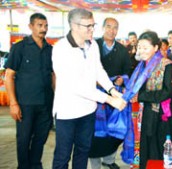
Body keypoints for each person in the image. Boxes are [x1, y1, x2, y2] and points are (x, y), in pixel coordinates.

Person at [51, 8, 126, 169]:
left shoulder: (92, 45)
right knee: (63, 155)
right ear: (74, 26)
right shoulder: (61, 49)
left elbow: (99, 70)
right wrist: (109, 99)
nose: (92, 29)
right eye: (88, 26)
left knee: (83, 150)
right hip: (68, 112)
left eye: (93, 25)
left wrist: (112, 90)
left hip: (88, 111)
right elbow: (76, 85)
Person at [127, 31, 172, 169]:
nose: (141, 51)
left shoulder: (167, 65)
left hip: (165, 115)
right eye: (139, 47)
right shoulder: (141, 66)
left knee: (162, 148)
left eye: (145, 47)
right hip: (148, 112)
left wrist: (140, 96)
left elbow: (168, 91)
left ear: (156, 48)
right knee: (150, 148)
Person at [4, 13, 54, 169]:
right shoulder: (20, 48)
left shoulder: (50, 50)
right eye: (39, 25)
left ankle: (35, 165)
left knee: (41, 138)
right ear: (30, 26)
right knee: (24, 140)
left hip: (46, 104)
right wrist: (13, 103)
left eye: (45, 25)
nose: (43, 29)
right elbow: (9, 76)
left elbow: (53, 76)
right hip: (25, 104)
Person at [88, 17, 131, 169]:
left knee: (113, 131)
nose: (112, 31)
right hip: (94, 95)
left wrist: (122, 79)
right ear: (102, 28)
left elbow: (128, 72)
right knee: (94, 132)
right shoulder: (93, 46)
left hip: (115, 96)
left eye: (115, 28)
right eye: (109, 27)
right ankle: (94, 164)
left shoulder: (122, 50)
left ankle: (109, 160)